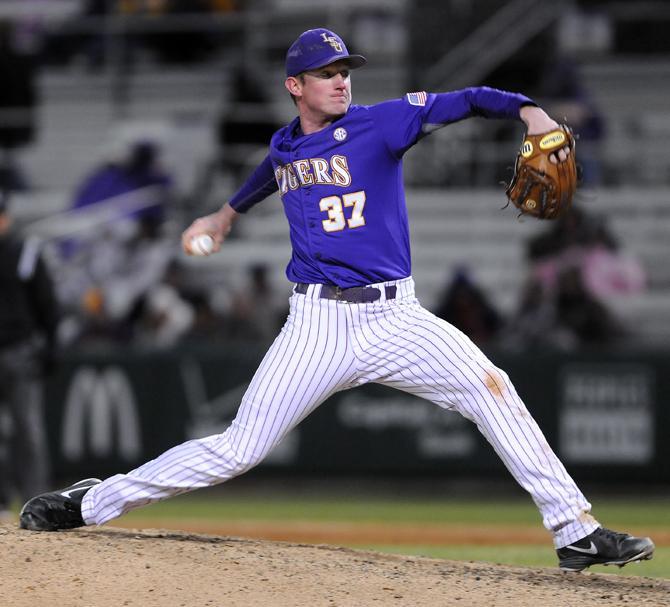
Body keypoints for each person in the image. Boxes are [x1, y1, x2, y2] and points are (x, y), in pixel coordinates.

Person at [19, 28, 654, 573]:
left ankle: (576, 531)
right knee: (239, 449)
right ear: (295, 85)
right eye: (326, 73)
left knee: (491, 386)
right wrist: (225, 213)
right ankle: (92, 502)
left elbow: (463, 101)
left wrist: (528, 110)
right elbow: (274, 167)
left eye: (344, 70)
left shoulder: (381, 123)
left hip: (395, 316)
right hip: (317, 324)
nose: (341, 81)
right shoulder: (286, 144)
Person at [0, 190, 58, 513]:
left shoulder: (25, 251)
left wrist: (51, 345)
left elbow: (47, 303)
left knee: (28, 430)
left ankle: (36, 501)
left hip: (20, 350)